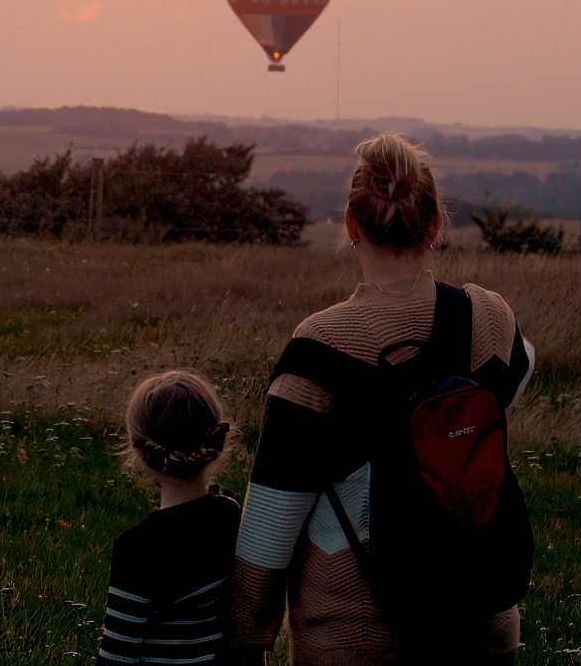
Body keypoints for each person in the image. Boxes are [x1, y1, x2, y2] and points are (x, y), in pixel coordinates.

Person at [231, 134, 536, 665]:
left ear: (351, 225)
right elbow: (524, 364)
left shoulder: (318, 349)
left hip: (357, 637)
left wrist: (246, 638)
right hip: (481, 624)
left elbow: (268, 528)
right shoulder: (490, 319)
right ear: (435, 223)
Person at [96, 369, 242, 666]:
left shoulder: (138, 548)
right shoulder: (231, 517)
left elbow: (116, 658)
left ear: (141, 453)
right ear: (218, 442)